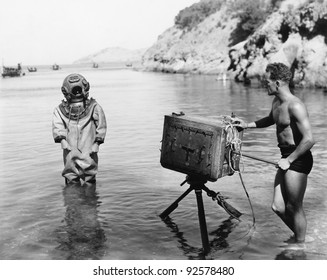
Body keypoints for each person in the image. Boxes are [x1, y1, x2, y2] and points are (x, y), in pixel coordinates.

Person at [233, 62, 315, 244]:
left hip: (298, 157)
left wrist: (290, 160)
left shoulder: (296, 106)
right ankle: (302, 238)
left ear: (277, 83)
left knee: (294, 207)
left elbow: (309, 139)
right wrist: (247, 125)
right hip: (286, 157)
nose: (265, 84)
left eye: (267, 81)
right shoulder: (277, 101)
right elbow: (271, 119)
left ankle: (300, 246)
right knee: (277, 207)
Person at [52, 73, 107, 185]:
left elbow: (101, 124)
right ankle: (73, 197)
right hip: (70, 149)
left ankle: (90, 197)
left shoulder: (93, 107)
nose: (77, 92)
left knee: (90, 175)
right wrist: (62, 140)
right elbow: (57, 124)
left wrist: (97, 143)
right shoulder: (60, 110)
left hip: (88, 148)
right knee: (70, 175)